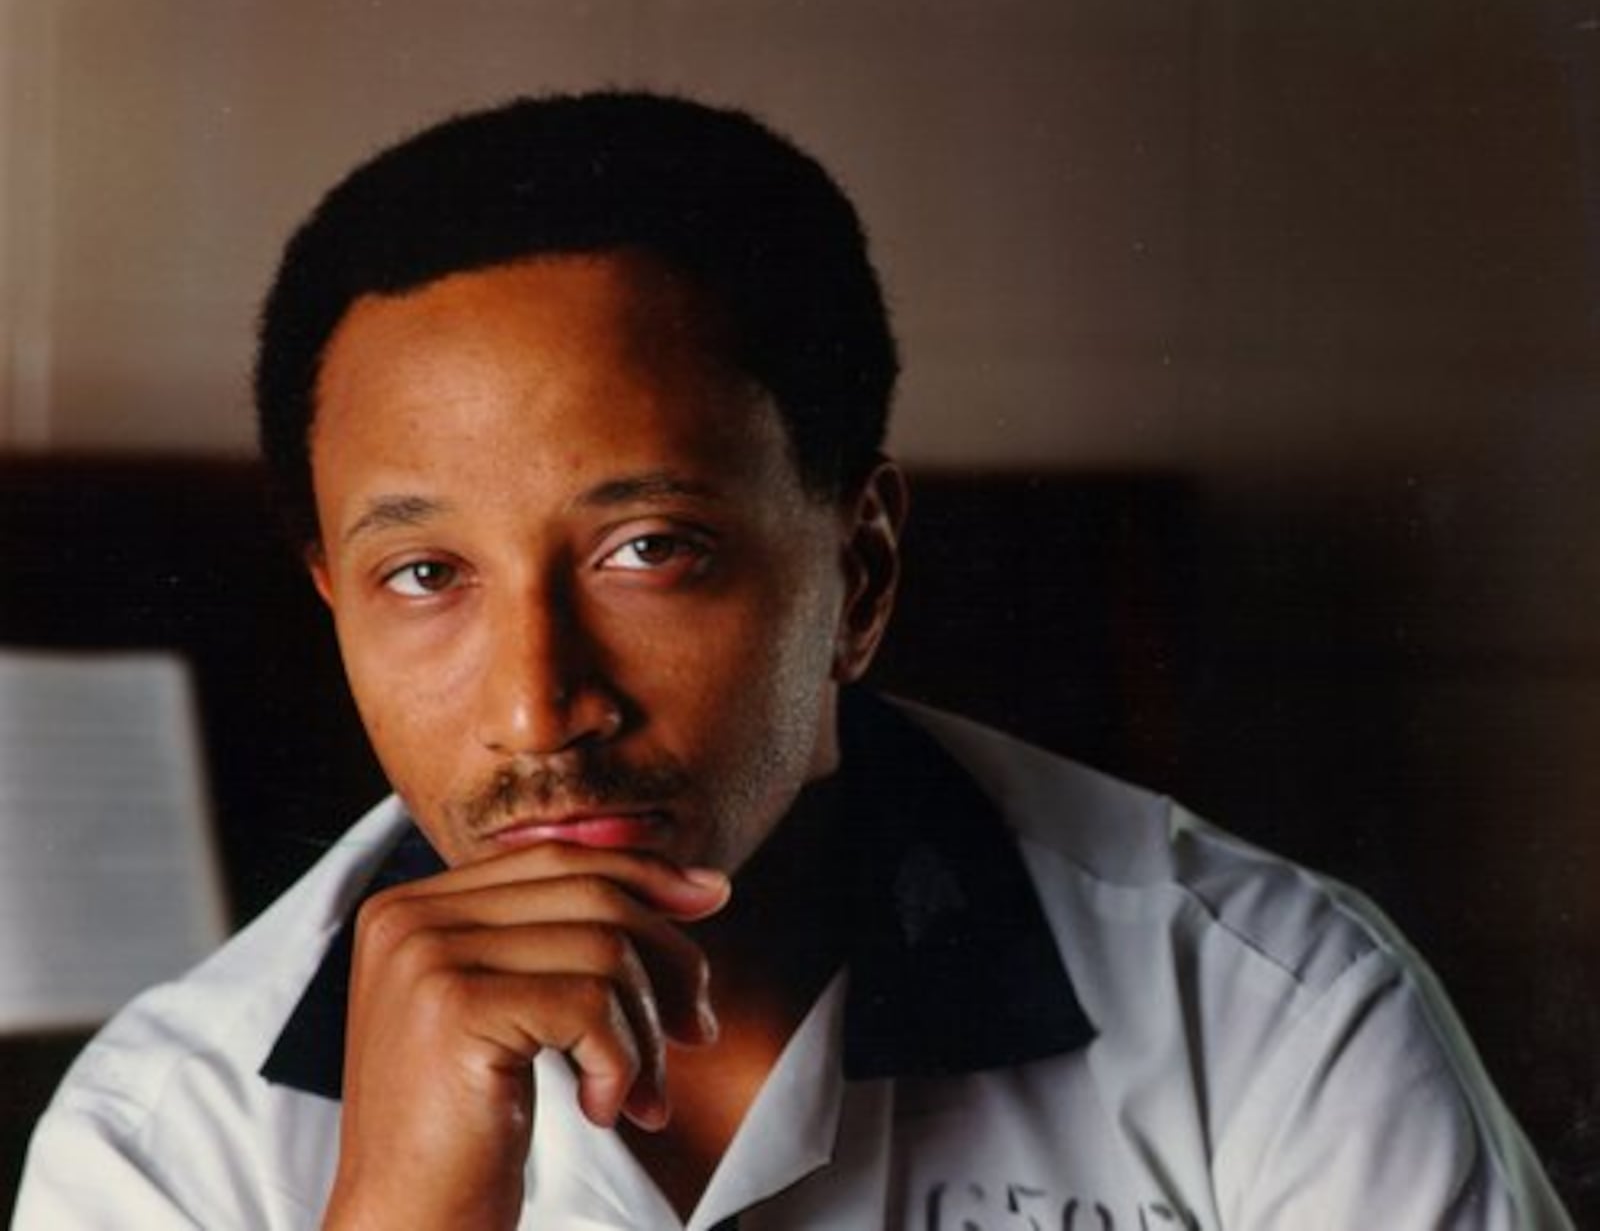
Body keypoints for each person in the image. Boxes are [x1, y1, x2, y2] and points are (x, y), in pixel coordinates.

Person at [16, 92, 1572, 1230]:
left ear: (862, 569)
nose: (537, 701)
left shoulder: (1267, 1016)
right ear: (334, 606)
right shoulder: (174, 1137)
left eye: (649, 550)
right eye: (425, 575)